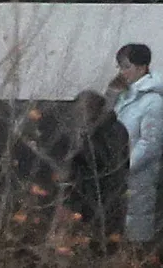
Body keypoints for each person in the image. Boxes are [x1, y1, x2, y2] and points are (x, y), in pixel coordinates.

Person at [112, 44, 163, 249]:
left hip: (138, 179)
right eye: (120, 67)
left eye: (126, 66)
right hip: (120, 178)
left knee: (135, 239)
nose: (122, 72)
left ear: (141, 68)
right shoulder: (124, 97)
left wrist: (124, 166)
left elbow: (149, 144)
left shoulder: (153, 102)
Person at [59, 87, 131, 246]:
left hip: (105, 201)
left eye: (81, 111)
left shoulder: (113, 131)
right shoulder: (90, 132)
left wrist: (82, 148)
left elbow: (109, 163)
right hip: (84, 200)